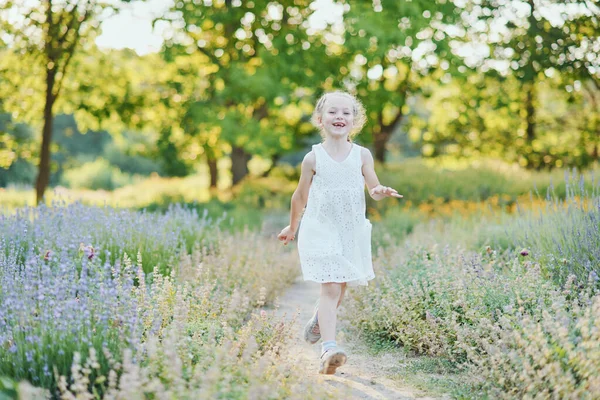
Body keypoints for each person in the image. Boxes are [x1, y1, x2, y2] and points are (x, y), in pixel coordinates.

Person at [277, 90, 403, 375]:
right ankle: (329, 349)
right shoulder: (313, 158)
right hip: (319, 227)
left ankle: (319, 321)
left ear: (354, 121)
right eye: (333, 112)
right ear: (320, 119)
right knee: (331, 286)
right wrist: (292, 226)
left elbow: (373, 186)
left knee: (341, 286)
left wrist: (379, 191)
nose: (340, 116)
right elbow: (299, 196)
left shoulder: (362, 154)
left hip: (350, 230)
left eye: (346, 112)